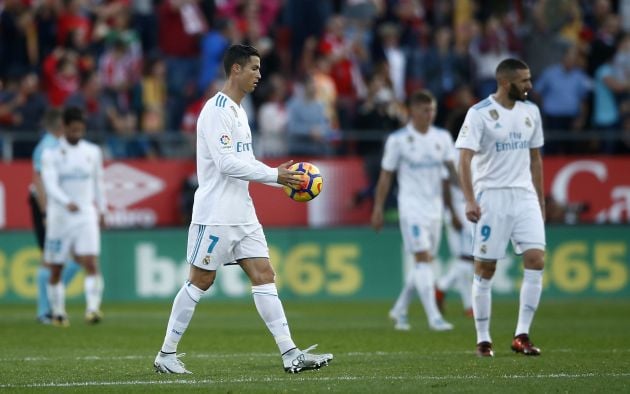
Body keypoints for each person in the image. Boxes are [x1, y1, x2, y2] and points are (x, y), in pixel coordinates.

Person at [153, 44, 333, 375]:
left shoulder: (239, 110)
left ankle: (290, 353)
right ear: (235, 69)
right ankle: (166, 353)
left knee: (264, 274)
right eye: (254, 68)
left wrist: (283, 181)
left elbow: (246, 162)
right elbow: (225, 163)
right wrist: (275, 174)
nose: (259, 75)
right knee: (200, 281)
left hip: (243, 212)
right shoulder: (216, 110)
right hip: (215, 213)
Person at [455, 58, 545, 358]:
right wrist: (470, 199)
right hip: (490, 197)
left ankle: (522, 335)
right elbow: (464, 158)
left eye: (529, 79)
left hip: (524, 196)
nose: (529, 86)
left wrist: (540, 201)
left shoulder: (531, 112)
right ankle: (483, 339)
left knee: (536, 259)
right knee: (486, 268)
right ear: (507, 83)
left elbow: (535, 159)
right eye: (524, 81)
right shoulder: (479, 113)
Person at [371, 89, 457, 332]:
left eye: (432, 110)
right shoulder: (398, 140)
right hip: (411, 208)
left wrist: (469, 198)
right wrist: (378, 208)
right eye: (424, 110)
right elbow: (386, 176)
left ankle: (399, 309)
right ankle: (434, 317)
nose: (429, 114)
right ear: (413, 111)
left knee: (425, 262)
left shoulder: (442, 138)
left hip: (435, 209)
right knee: (422, 259)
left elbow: (452, 173)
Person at [41, 106, 107, 327]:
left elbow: (98, 182)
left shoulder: (93, 152)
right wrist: (64, 201)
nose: (77, 134)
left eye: (80, 130)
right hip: (60, 216)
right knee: (56, 267)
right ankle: (58, 313)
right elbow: (49, 184)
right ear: (64, 127)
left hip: (85, 214)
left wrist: (103, 210)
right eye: (73, 129)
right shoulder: (51, 154)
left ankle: (92, 309)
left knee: (90, 262)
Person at [30, 109, 82, 324]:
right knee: (51, 260)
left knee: (75, 257)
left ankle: (49, 306)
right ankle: (45, 311)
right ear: (61, 125)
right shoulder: (48, 147)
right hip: (48, 206)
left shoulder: (55, 145)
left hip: (59, 206)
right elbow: (38, 180)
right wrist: (45, 211)